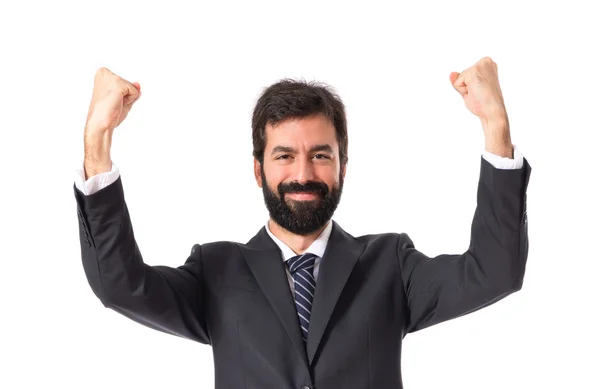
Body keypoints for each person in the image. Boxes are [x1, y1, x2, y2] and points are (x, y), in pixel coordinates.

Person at [73, 56, 531, 389]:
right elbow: (120, 286)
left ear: (343, 167)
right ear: (259, 170)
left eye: (320, 156)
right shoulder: (216, 271)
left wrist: (495, 125)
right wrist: (98, 138)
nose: (304, 174)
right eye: (285, 156)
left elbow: (495, 271)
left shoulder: (390, 265)